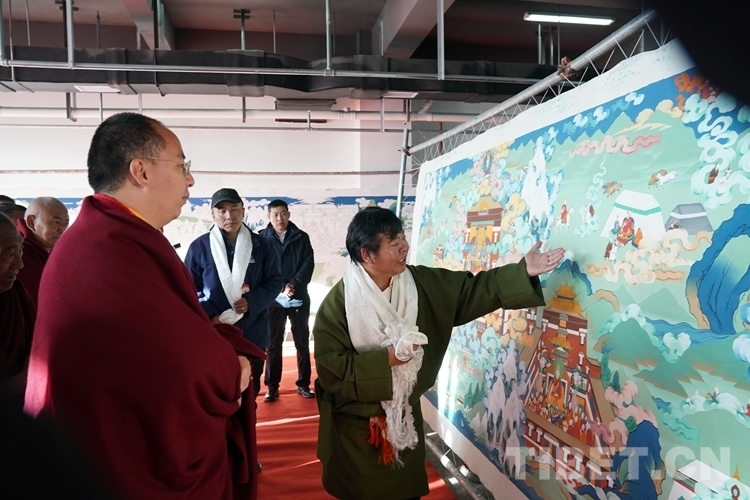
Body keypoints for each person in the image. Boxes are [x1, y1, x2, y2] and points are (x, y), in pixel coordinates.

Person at [24, 112, 265, 500]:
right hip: (111, 459)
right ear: (141, 171)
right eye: (182, 165)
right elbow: (175, 364)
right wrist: (229, 365)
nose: (190, 179)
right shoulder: (106, 249)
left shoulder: (112, 235)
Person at [313, 207, 564, 500]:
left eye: (403, 238)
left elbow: (472, 290)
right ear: (367, 255)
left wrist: (522, 271)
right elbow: (332, 369)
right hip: (358, 426)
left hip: (404, 416)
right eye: (393, 243)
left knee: (405, 492)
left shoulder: (421, 283)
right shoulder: (338, 305)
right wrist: (388, 359)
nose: (404, 247)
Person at [185, 188, 283, 400]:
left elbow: (275, 281)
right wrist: (210, 314)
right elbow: (190, 288)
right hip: (215, 331)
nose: (229, 215)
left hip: (252, 331)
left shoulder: (263, 246)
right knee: (217, 392)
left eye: (234, 209)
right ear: (213, 215)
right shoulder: (199, 247)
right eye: (222, 211)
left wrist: (252, 302)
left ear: (243, 211)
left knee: (249, 394)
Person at [259, 199, 315, 402]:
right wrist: (282, 286)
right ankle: (272, 387)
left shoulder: (301, 237)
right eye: (275, 214)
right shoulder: (261, 239)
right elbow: (261, 268)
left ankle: (304, 384)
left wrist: (293, 284)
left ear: (288, 214)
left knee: (302, 342)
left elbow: (308, 264)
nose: (279, 218)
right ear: (269, 216)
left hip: (298, 297)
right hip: (274, 299)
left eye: (283, 213)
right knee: (273, 343)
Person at [0, 213, 34, 408]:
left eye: (20, 251)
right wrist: (24, 380)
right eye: (9, 253)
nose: (19, 265)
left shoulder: (15, 294)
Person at [16, 197, 69, 304]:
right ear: (31, 222)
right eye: (56, 222)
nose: (62, 229)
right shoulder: (16, 252)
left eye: (66, 223)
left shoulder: (62, 252)